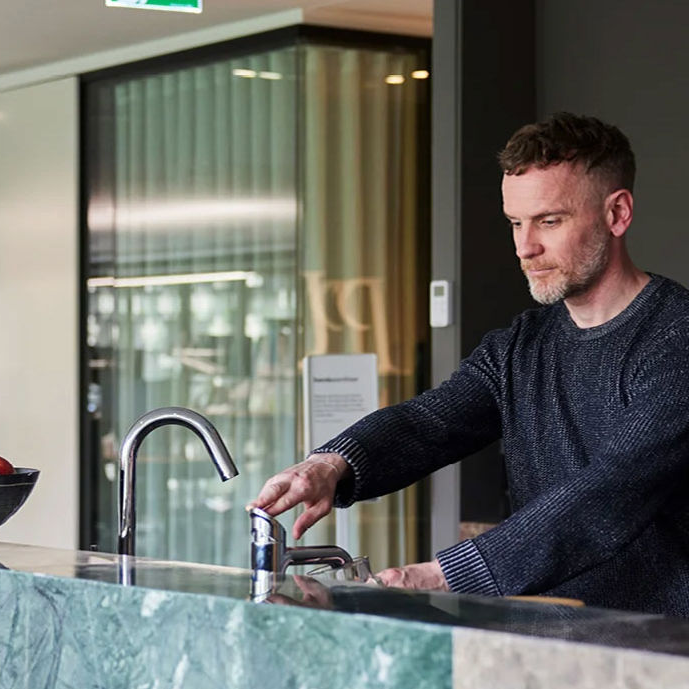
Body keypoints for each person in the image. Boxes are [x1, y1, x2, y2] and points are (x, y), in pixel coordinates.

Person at [252, 113, 689, 617]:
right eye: (515, 223)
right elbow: (429, 421)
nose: (526, 247)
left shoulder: (675, 339)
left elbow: (607, 495)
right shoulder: (522, 345)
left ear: (617, 214)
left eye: (549, 221)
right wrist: (330, 465)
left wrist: (440, 575)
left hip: (664, 651)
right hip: (553, 642)